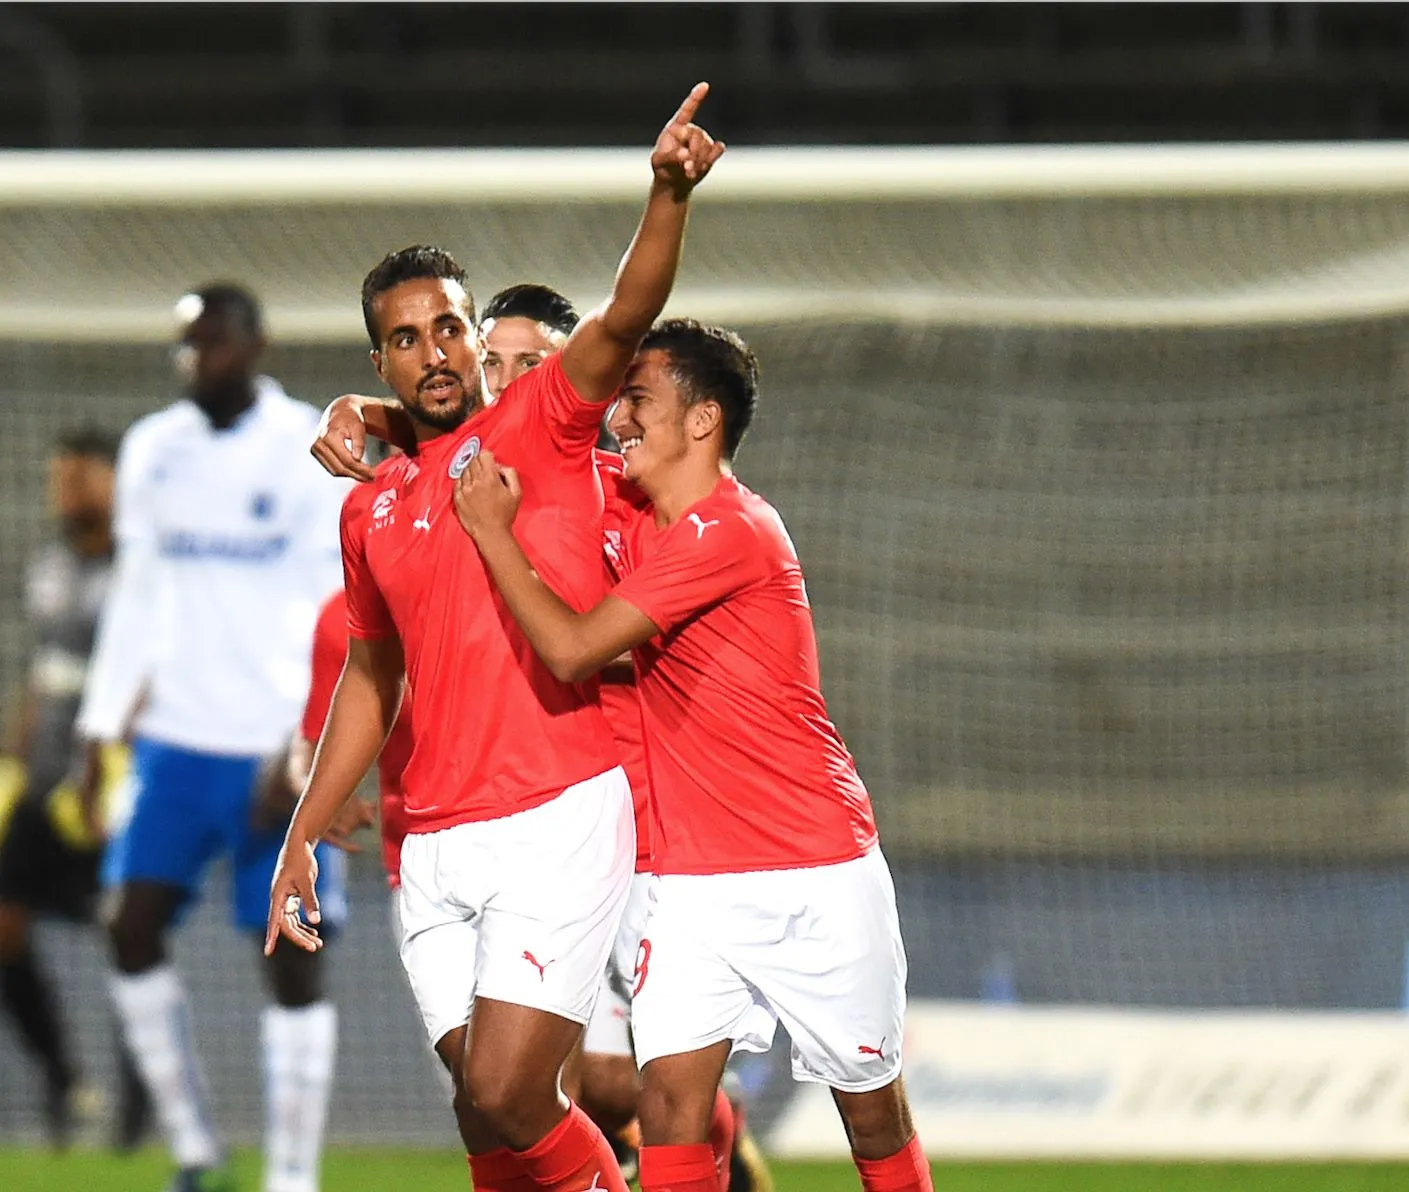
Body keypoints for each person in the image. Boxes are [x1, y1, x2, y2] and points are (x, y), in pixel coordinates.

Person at [266, 85, 723, 1192]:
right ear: (379, 364)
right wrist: (303, 831)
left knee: (515, 1091)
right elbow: (370, 676)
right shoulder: (368, 507)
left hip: (555, 813)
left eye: (448, 328)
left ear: (477, 339)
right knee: (485, 1120)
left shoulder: (540, 421)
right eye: (404, 338)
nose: (432, 351)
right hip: (430, 842)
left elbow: (624, 313)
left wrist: (667, 193)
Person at [449, 319, 933, 1192]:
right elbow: (526, 450)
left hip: (814, 871)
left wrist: (493, 533)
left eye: (638, 400)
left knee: (871, 1115)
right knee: (668, 1107)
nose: (617, 419)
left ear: (703, 419)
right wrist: (375, 414)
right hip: (690, 884)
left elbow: (572, 649)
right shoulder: (631, 509)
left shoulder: (734, 531)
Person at [75, 284, 350, 1192]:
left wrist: (307, 744)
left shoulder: (308, 445)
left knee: (295, 956)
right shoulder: (154, 448)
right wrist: (97, 733)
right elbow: (135, 598)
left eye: (214, 343)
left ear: (256, 344)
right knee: (129, 928)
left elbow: (340, 610)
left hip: (276, 745)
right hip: (175, 741)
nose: (198, 359)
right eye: (188, 345)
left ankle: (292, 1177)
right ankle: (195, 1147)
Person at [0, 426, 150, 1149]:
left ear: (117, 482)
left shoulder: (144, 568)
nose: (68, 491)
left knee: (130, 938)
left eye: (82, 477)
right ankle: (64, 1080)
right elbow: (45, 670)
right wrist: (15, 757)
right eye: (61, 478)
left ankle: (141, 1097)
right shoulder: (50, 565)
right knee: (4, 924)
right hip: (44, 782)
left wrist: (129, 765)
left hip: (112, 787)